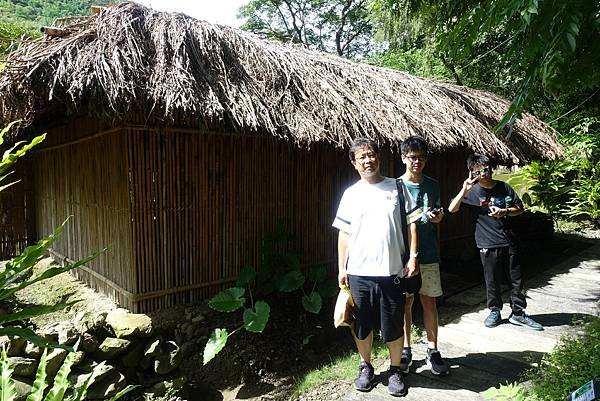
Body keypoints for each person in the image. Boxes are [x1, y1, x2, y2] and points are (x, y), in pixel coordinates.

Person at [333, 137, 419, 396]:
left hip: (392, 271)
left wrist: (413, 256)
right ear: (354, 163)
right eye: (362, 157)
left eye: (371, 155)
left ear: (378, 158)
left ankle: (394, 370)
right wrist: (342, 268)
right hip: (359, 272)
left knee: (393, 324)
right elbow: (344, 234)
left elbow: (412, 224)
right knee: (362, 325)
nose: (368, 160)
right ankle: (366, 366)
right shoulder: (350, 194)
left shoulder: (397, 187)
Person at [447, 154, 543, 330]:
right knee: (492, 280)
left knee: (516, 279)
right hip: (486, 243)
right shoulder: (472, 192)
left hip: (509, 240)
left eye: (486, 169)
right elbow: (452, 209)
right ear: (472, 172)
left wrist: (505, 211)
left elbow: (519, 209)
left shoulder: (504, 187)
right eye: (479, 171)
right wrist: (464, 189)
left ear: (491, 168)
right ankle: (494, 311)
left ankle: (518, 313)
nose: (484, 173)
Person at [398, 136, 450, 376]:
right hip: (403, 256)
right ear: (403, 158)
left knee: (429, 301)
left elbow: (437, 212)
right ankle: (406, 348)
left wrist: (438, 218)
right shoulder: (395, 187)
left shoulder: (432, 184)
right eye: (412, 157)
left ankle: (433, 349)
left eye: (421, 157)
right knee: (405, 303)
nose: (417, 161)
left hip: (429, 252)